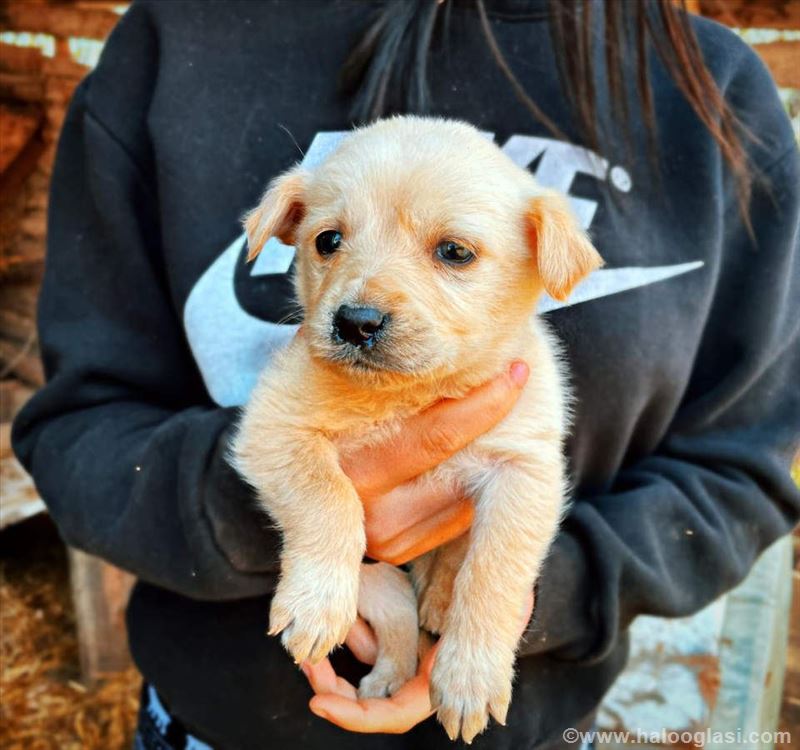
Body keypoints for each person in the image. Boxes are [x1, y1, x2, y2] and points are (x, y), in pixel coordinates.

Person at [11, 0, 799, 748]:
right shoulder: (181, 32)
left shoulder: (712, 90)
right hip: (219, 726)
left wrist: (508, 603)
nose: (363, 303)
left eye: (452, 254)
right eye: (328, 242)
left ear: (539, 255)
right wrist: (316, 528)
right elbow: (83, 426)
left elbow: (735, 472)